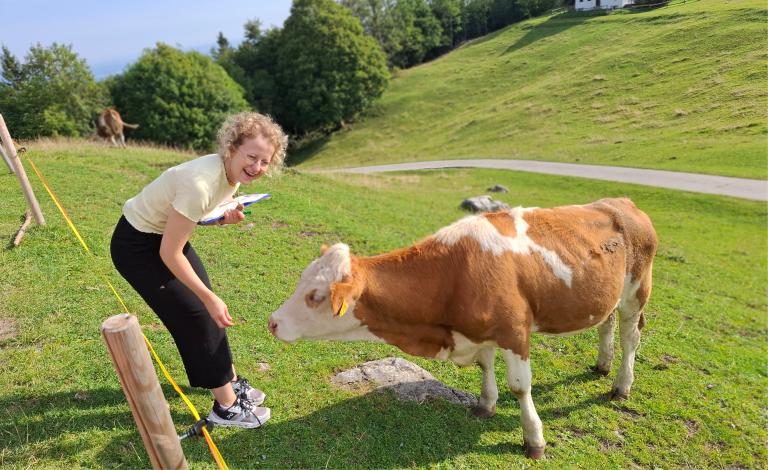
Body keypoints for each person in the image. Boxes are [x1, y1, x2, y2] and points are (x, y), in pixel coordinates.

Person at [110, 112, 288, 428]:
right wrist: (208, 297)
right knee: (196, 314)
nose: (257, 167)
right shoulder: (201, 183)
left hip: (162, 239)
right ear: (231, 148)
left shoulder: (230, 174)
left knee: (208, 312)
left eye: (265, 161)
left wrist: (221, 219)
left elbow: (193, 216)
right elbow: (169, 252)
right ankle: (226, 407)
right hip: (137, 247)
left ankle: (231, 382)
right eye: (251, 157)